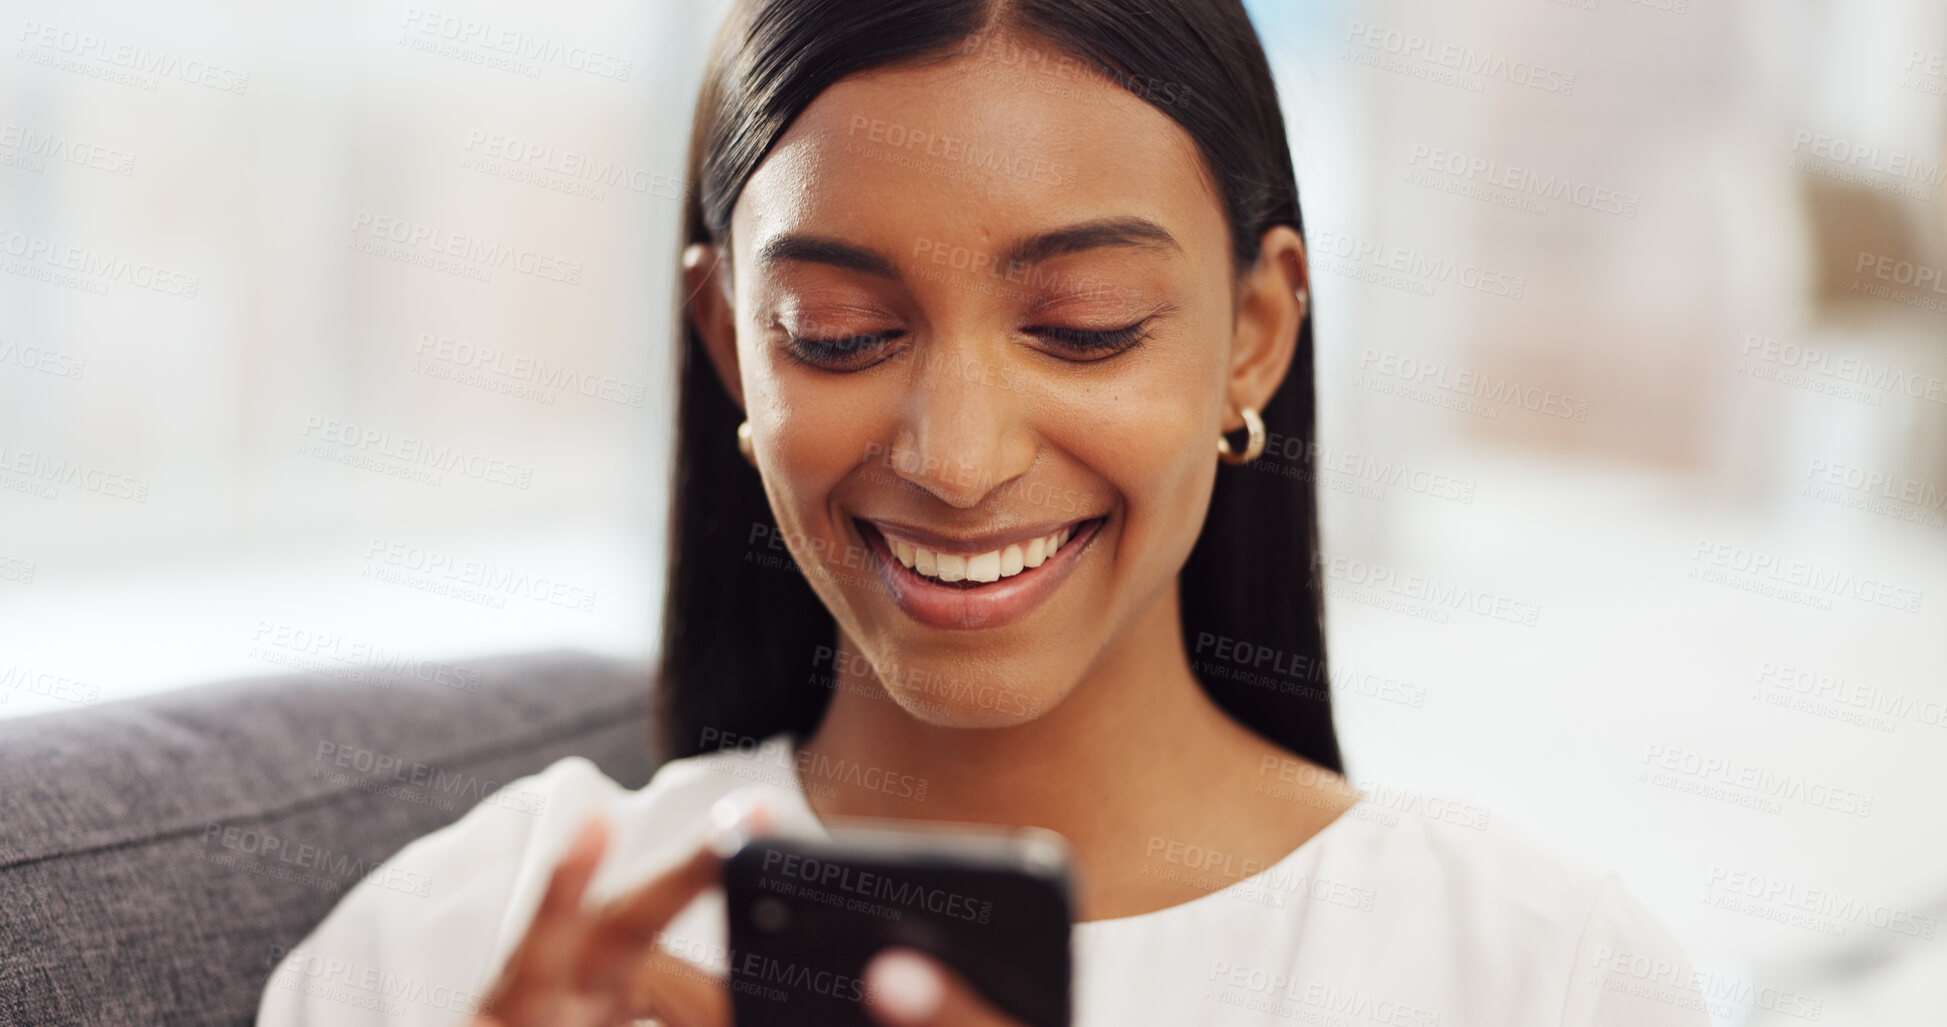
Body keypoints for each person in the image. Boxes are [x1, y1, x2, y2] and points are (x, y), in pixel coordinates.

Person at [258, 1, 1708, 1024]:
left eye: (1083, 326)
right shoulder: (461, 944)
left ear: (1254, 335)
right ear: (728, 347)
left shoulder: (1539, 977)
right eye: (833, 331)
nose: (956, 458)